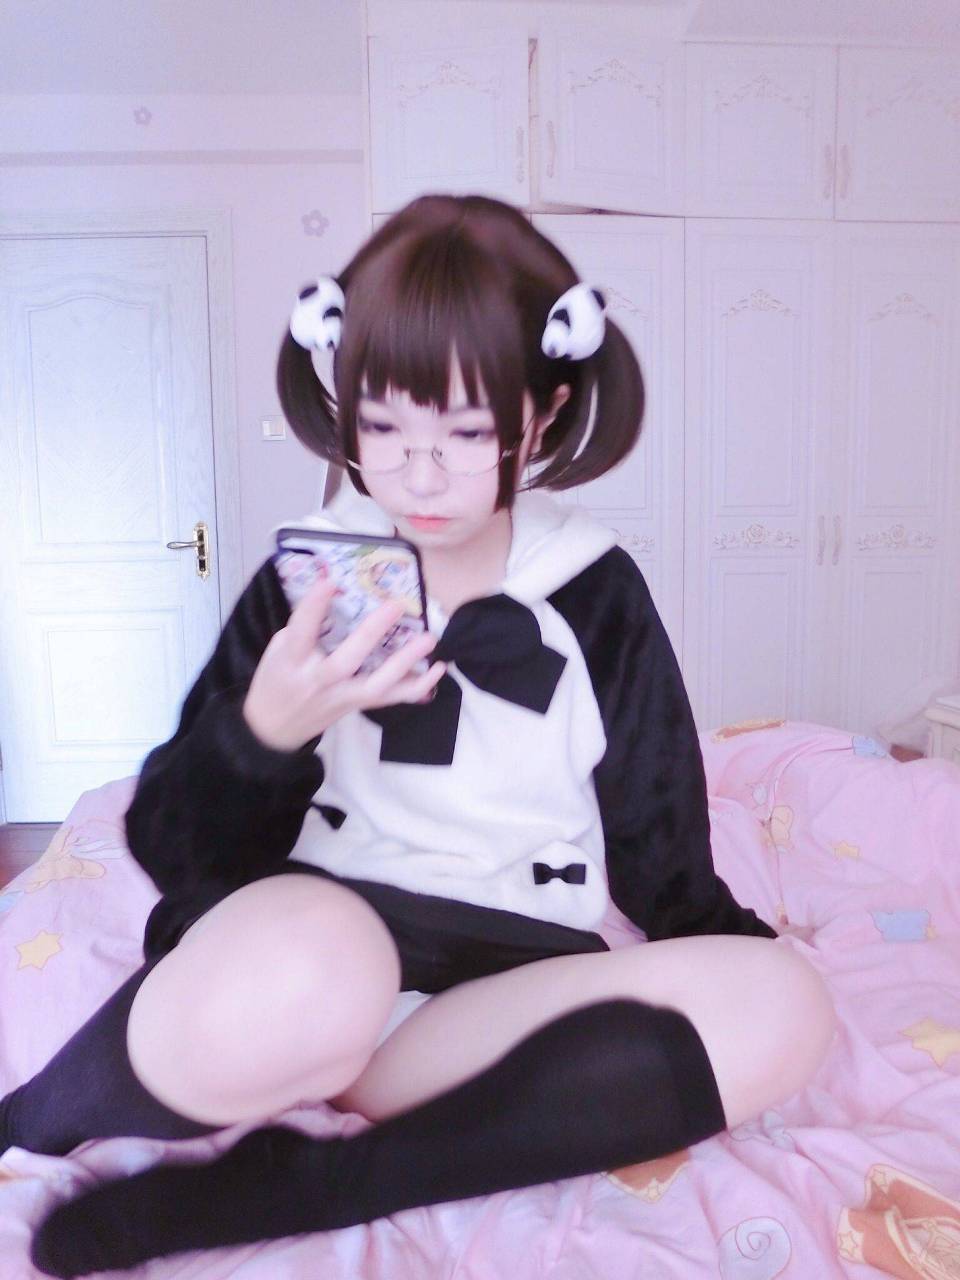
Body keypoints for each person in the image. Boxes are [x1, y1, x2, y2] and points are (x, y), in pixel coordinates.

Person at [15, 193, 835, 1278]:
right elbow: (178, 848)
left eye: (465, 430)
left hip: (493, 994)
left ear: (542, 412)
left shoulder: (594, 587)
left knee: (786, 1002)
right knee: (326, 963)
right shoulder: (308, 577)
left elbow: (658, 829)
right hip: (311, 959)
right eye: (385, 426)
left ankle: (312, 1184)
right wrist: (265, 732)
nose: (420, 472)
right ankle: (43, 1110)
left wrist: (723, 941)